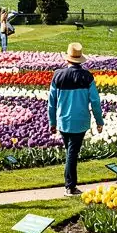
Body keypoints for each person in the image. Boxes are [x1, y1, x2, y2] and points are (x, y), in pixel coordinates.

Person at [47, 41, 104, 196]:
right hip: (80, 121)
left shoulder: (58, 75)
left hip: (63, 121)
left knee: (70, 151)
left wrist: (52, 122)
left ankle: (70, 184)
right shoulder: (87, 77)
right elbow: (95, 101)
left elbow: (51, 102)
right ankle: (70, 186)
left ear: (68, 59)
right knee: (72, 153)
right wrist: (99, 121)